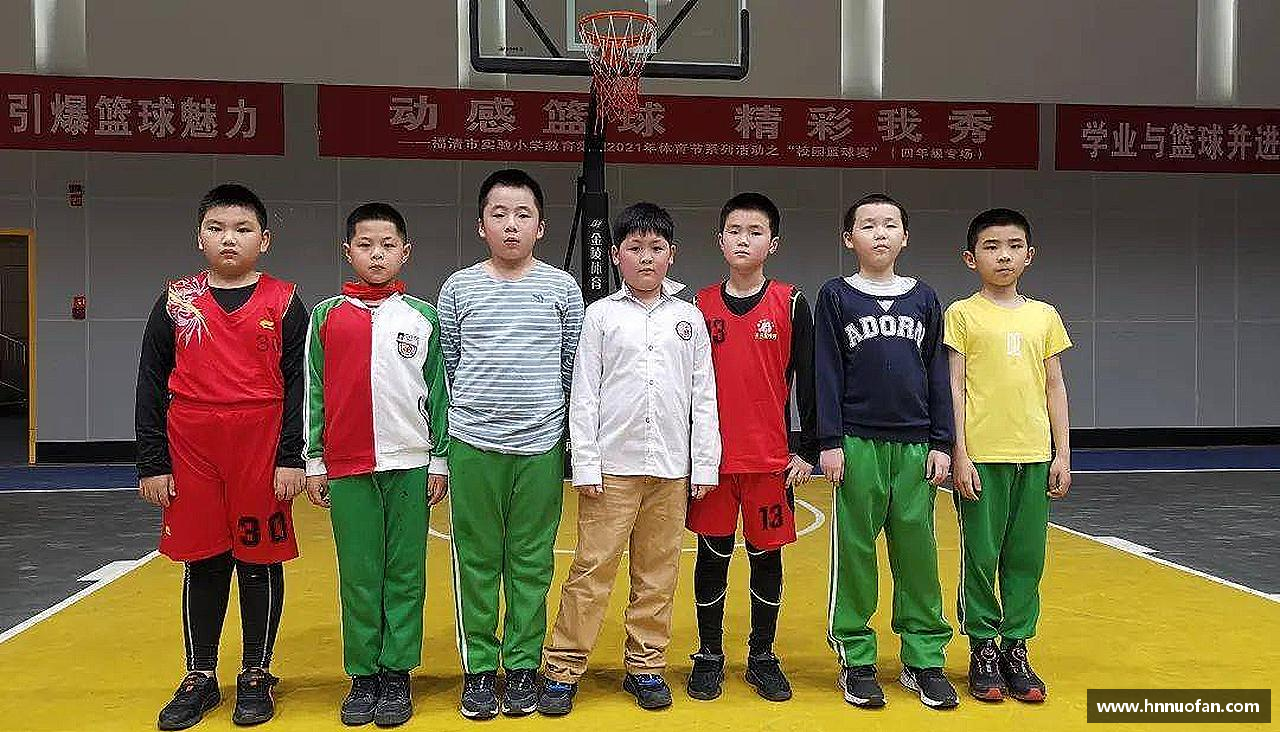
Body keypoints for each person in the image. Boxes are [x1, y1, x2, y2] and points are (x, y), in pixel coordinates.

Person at [135, 183, 306, 729]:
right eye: (217, 228)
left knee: (259, 562)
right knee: (204, 560)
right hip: (192, 447)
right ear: (199, 237)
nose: (229, 238)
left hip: (261, 444)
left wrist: (293, 457)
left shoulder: (285, 301)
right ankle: (200, 675)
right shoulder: (177, 300)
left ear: (264, 240)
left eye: (242, 229)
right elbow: (150, 380)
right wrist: (152, 461)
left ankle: (256, 672)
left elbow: (301, 384)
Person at [539, 202, 720, 715]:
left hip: (671, 469)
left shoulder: (687, 318)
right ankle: (563, 667)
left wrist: (704, 464)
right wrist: (585, 463)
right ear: (616, 255)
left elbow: (703, 394)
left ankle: (646, 665)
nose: (646, 257)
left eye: (656, 248)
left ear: (672, 255)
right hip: (612, 469)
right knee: (591, 569)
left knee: (658, 573)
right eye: (635, 248)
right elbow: (585, 393)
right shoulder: (601, 316)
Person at [436, 169, 585, 720]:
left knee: (531, 560)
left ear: (541, 227)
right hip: (473, 444)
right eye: (499, 215)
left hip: (540, 447)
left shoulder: (562, 289)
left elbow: (571, 368)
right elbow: (450, 364)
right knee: (476, 560)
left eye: (523, 215)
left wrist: (555, 428)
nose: (511, 225)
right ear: (481, 226)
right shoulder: (458, 288)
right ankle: (480, 668)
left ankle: (522, 664)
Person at [302, 203, 450, 726]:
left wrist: (439, 460)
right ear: (348, 252)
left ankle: (398, 672)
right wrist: (314, 460)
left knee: (405, 573)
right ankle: (363, 675)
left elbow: (439, 393)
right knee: (359, 574)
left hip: (410, 463)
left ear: (405, 252)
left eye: (388, 245)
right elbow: (314, 391)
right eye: (366, 245)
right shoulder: (326, 316)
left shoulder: (423, 317)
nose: (377, 255)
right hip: (347, 466)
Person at [814, 193, 958, 710]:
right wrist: (828, 441)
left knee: (918, 553)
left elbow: (938, 373)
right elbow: (825, 372)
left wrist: (943, 441)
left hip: (916, 444)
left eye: (890, 224)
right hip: (856, 443)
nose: (880, 232)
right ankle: (856, 658)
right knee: (854, 552)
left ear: (905, 237)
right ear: (848, 238)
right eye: (868, 224)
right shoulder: (836, 296)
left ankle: (924, 658)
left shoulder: (924, 298)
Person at [685, 192, 817, 703]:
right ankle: (709, 655)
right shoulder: (697, 307)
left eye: (755, 232)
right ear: (719, 240)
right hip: (713, 462)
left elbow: (809, 382)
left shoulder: (791, 302)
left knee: (766, 558)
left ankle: (762, 657)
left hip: (769, 461)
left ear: (772, 243)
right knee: (711, 556)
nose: (744, 240)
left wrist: (806, 449)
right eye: (735, 231)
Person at [945, 207, 1072, 703]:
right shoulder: (961, 314)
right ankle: (982, 647)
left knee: (1025, 557)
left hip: (1034, 455)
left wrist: (1062, 454)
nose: (1004, 256)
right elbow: (954, 386)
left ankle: (1016, 646)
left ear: (1030, 255)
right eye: (992, 247)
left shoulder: (1045, 315)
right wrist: (960, 453)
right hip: (982, 456)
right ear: (970, 257)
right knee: (980, 556)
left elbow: (1055, 385)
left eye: (1014, 246)